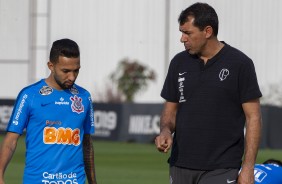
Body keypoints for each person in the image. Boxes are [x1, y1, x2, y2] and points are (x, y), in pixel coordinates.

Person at [155, 2, 262, 184]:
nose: (182, 38)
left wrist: (248, 167)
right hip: (180, 164)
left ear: (207, 31)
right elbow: (170, 111)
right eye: (181, 32)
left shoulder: (240, 64)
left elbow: (254, 118)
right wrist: (165, 131)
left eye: (187, 33)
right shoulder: (178, 62)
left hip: (222, 167)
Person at [0, 38, 97, 184]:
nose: (72, 77)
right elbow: (11, 141)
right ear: (51, 66)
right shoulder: (30, 95)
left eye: (76, 70)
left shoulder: (84, 97)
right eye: (65, 71)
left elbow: (87, 144)